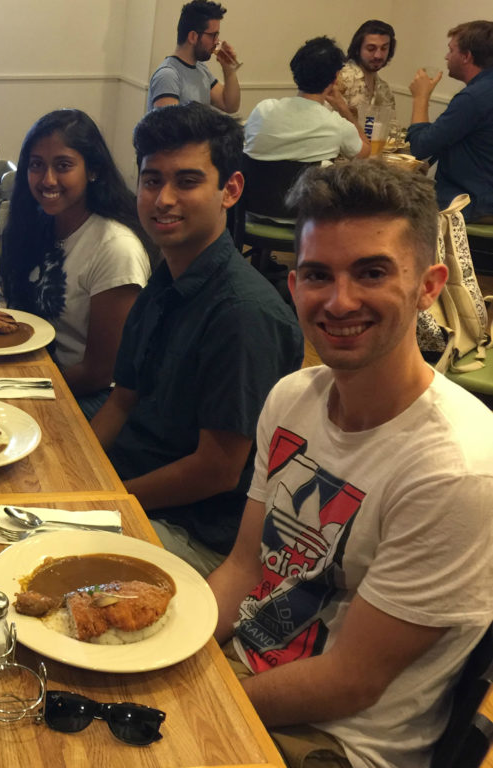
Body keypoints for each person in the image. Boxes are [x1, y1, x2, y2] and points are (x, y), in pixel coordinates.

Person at [208, 160, 493, 768]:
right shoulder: (293, 397)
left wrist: (197, 698)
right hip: (246, 673)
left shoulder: (457, 468)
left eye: (371, 273)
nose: (340, 302)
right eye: (317, 274)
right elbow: (241, 568)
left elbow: (351, 681)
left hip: (334, 740)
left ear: (429, 284)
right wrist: (169, 655)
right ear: (293, 286)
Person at [90, 103, 303, 575]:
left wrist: (107, 499)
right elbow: (123, 400)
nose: (163, 198)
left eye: (186, 181)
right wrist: (80, 471)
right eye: (151, 180)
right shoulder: (166, 277)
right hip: (133, 484)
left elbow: (218, 470)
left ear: (230, 190)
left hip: (197, 531)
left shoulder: (243, 314)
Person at [0, 109, 154, 419]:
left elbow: (99, 371)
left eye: (63, 166)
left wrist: (15, 390)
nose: (47, 179)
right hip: (37, 373)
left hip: (91, 397)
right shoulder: (40, 222)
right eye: (36, 165)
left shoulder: (115, 248)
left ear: (92, 171)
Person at [408, 21, 493, 222]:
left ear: (466, 56)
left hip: (471, 204)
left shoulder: (473, 98)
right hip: (485, 198)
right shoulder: (484, 90)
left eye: (451, 50)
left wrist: (421, 98)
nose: (447, 56)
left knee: (393, 202)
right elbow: (454, 137)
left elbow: (420, 147)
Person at [244, 37, 369, 163]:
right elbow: (365, 153)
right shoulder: (337, 126)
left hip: (254, 182)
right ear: (336, 77)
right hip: (306, 183)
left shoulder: (263, 109)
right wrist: (343, 109)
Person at [147, 0, 241, 114]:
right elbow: (169, 130)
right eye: (213, 35)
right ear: (193, 37)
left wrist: (228, 69)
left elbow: (229, 106)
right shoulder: (168, 76)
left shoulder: (201, 69)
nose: (217, 42)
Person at [335, 19, 398, 123]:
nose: (378, 55)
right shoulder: (341, 78)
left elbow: (391, 129)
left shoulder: (385, 90)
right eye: (371, 49)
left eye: (384, 48)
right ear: (357, 48)